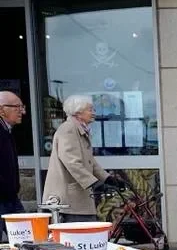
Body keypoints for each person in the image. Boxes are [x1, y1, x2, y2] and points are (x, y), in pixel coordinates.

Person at [42, 94, 122, 223]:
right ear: (78, 112)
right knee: (80, 237)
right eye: (90, 109)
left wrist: (107, 179)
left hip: (78, 199)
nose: (94, 112)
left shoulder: (80, 130)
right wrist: (93, 183)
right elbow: (71, 162)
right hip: (69, 202)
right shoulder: (68, 130)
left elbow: (90, 161)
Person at [0, 91, 26, 242]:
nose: (22, 111)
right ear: (1, 109)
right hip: (2, 198)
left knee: (26, 241)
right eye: (17, 107)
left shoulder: (7, 130)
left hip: (11, 198)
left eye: (22, 107)